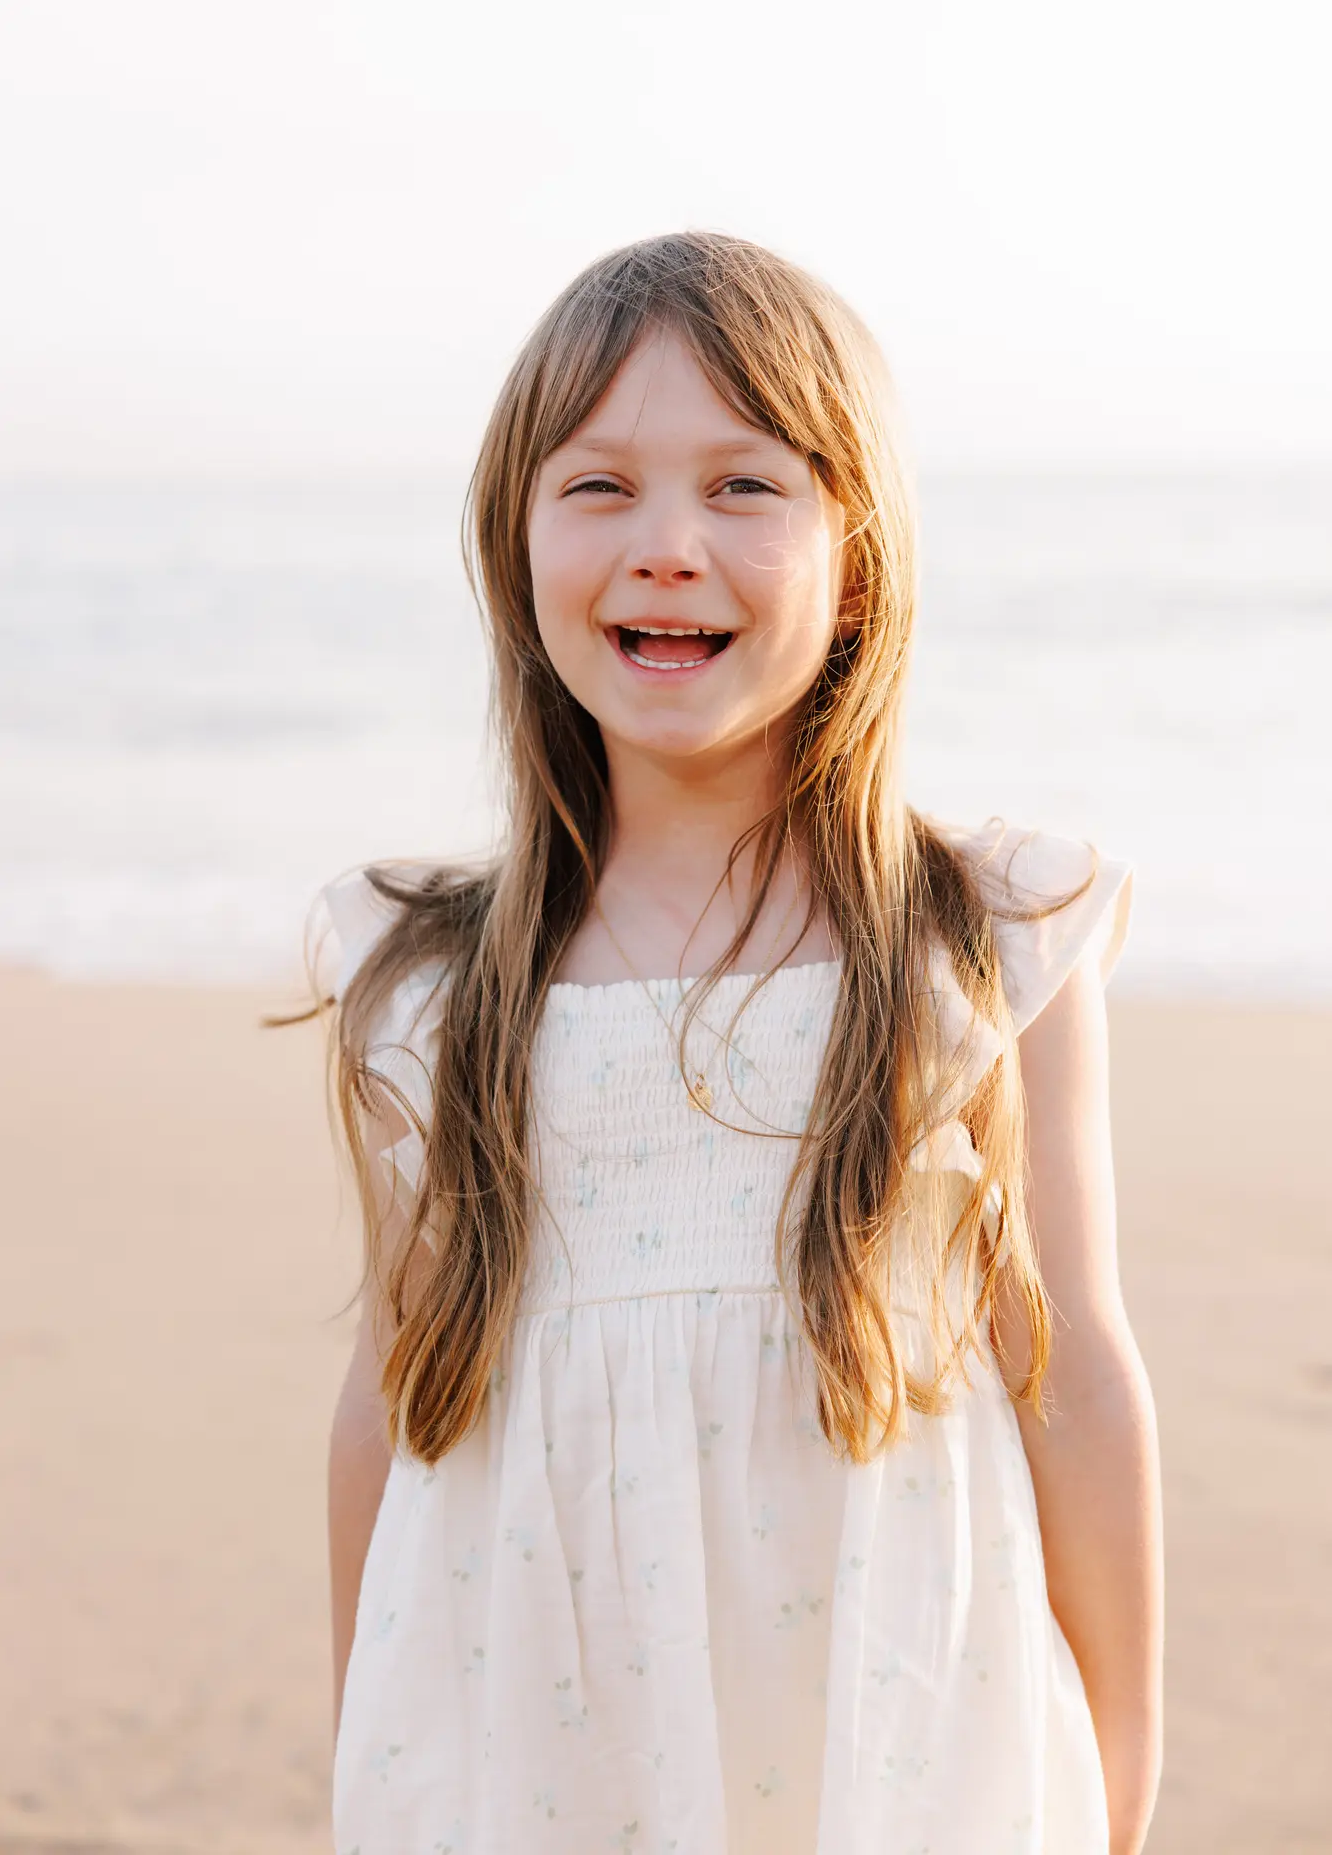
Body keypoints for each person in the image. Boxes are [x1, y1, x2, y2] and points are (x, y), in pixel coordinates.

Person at [316, 232, 1163, 1853]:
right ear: (514, 543)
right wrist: (374, 1748)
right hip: (538, 1733)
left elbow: (1075, 1378)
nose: (667, 547)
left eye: (742, 486)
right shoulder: (422, 982)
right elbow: (386, 1398)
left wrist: (1119, 1765)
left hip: (896, 1719)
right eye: (599, 488)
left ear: (857, 550)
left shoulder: (980, 942)